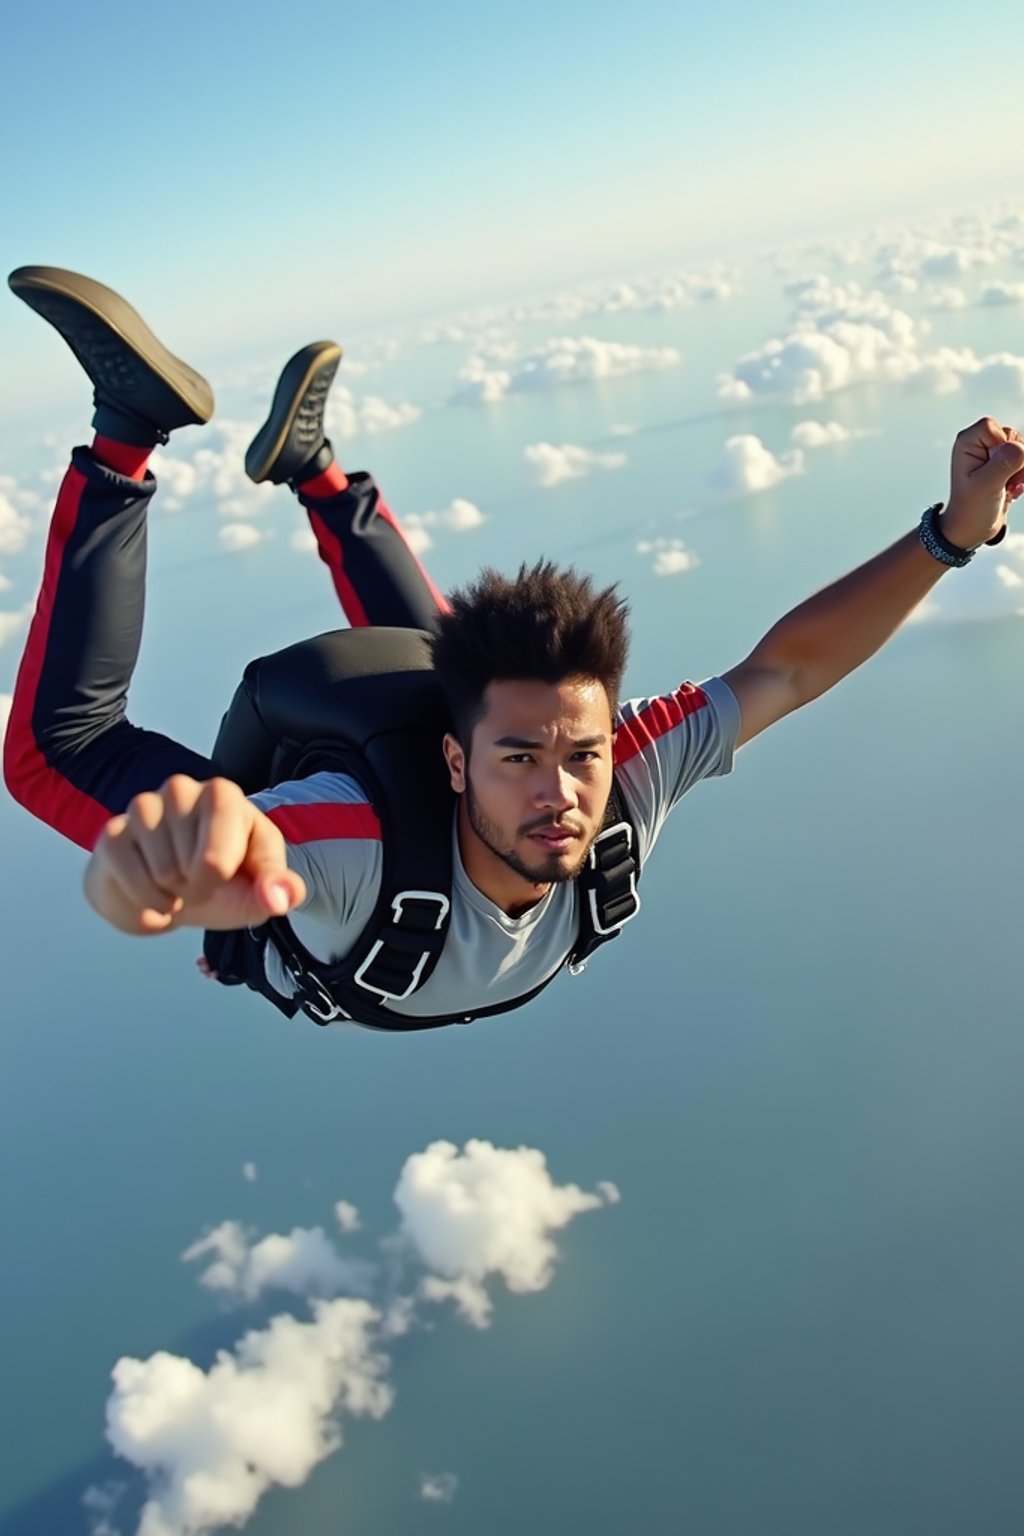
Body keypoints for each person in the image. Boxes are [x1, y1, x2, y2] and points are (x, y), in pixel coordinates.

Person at [5, 265, 1024, 1028]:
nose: (565, 791)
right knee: (54, 753)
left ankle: (310, 467)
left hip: (392, 752)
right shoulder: (344, 846)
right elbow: (248, 841)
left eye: (581, 752)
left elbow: (789, 668)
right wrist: (172, 861)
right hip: (332, 795)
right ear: (455, 761)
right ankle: (125, 437)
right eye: (519, 759)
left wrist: (952, 533)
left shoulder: (622, 779)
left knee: (440, 652)